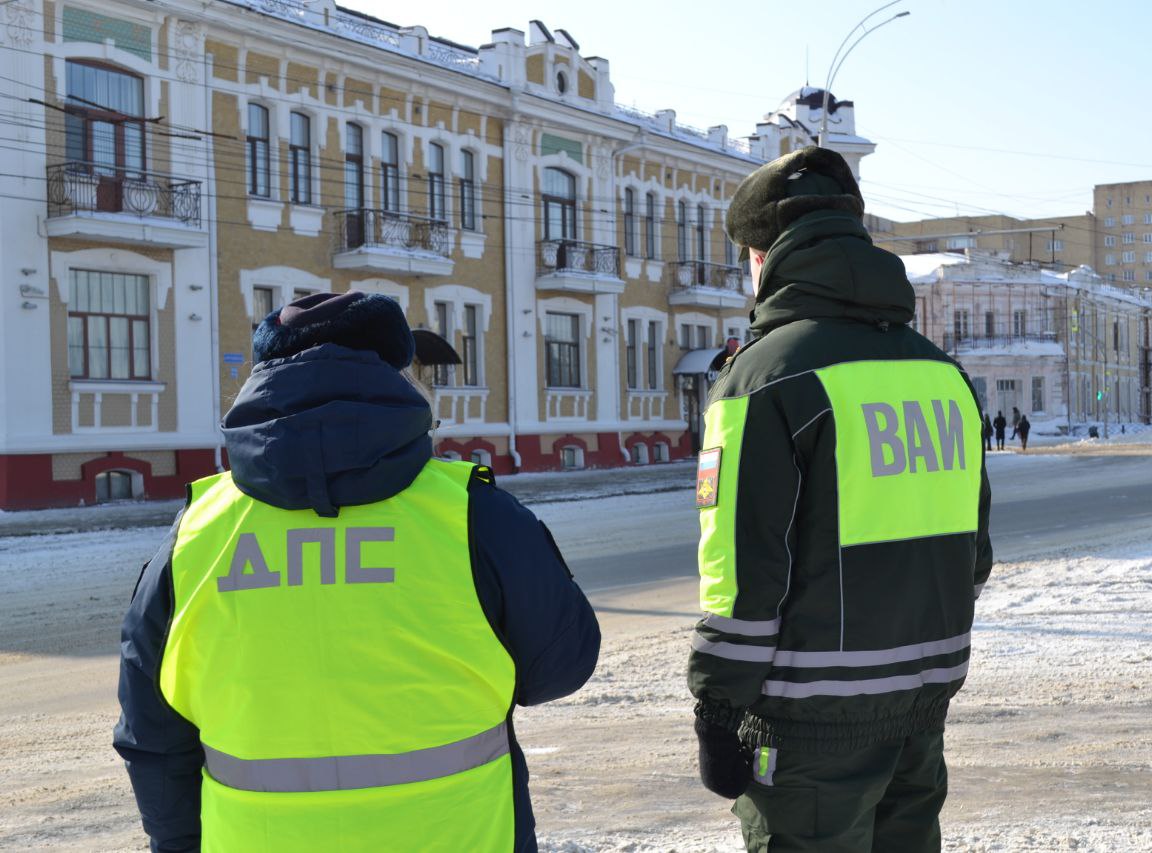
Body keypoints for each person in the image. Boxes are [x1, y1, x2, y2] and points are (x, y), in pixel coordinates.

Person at [114, 292, 600, 853]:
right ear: (400, 378)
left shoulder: (197, 534)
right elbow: (562, 664)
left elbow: (152, 732)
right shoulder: (474, 516)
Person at [687, 147, 992, 852]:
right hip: (922, 706)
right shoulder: (941, 374)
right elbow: (973, 555)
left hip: (810, 729)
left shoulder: (762, 378)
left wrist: (718, 702)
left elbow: (740, 571)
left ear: (761, 256)